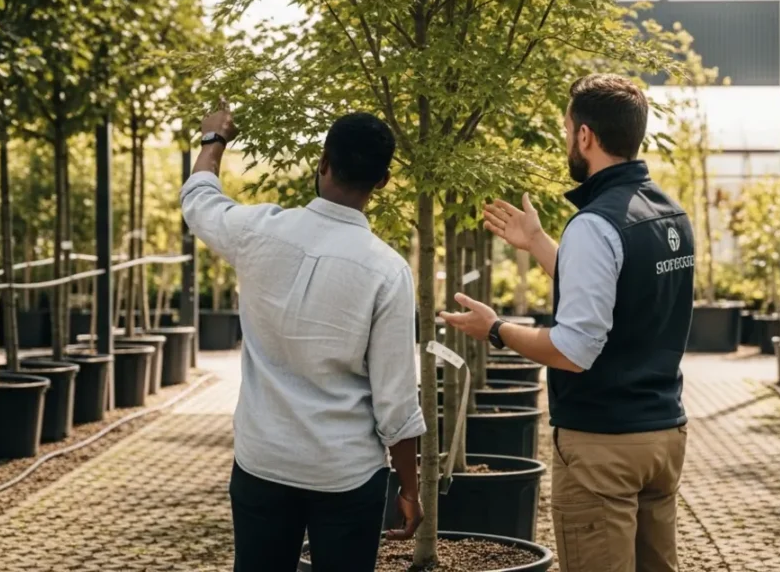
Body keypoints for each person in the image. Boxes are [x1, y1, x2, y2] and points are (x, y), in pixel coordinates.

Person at [441, 73, 695, 572]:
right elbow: (613, 291)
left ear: (585, 136)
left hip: (605, 445)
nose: (566, 142)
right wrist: (537, 242)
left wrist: (495, 330)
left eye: (566, 130)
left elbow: (573, 350)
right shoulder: (669, 213)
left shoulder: (595, 223)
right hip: (663, 437)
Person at [181, 105, 426, 572]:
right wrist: (409, 488)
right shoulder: (387, 271)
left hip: (263, 462)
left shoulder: (257, 231)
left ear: (323, 163)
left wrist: (213, 138)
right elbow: (395, 400)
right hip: (347, 475)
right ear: (383, 181)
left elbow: (199, 201)